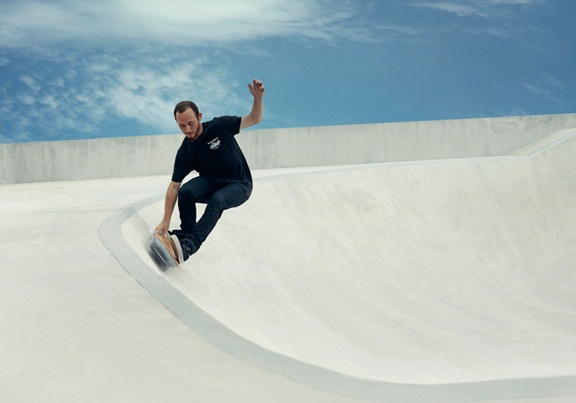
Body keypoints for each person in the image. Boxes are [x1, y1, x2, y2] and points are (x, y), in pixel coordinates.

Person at [154, 79, 265, 264]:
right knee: (186, 192)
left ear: (199, 116)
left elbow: (254, 119)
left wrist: (258, 98)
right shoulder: (185, 152)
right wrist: (165, 220)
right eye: (182, 126)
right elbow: (174, 187)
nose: (188, 130)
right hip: (212, 181)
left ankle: (190, 245)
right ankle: (185, 235)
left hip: (239, 184)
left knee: (218, 200)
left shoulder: (219, 126)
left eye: (191, 123)